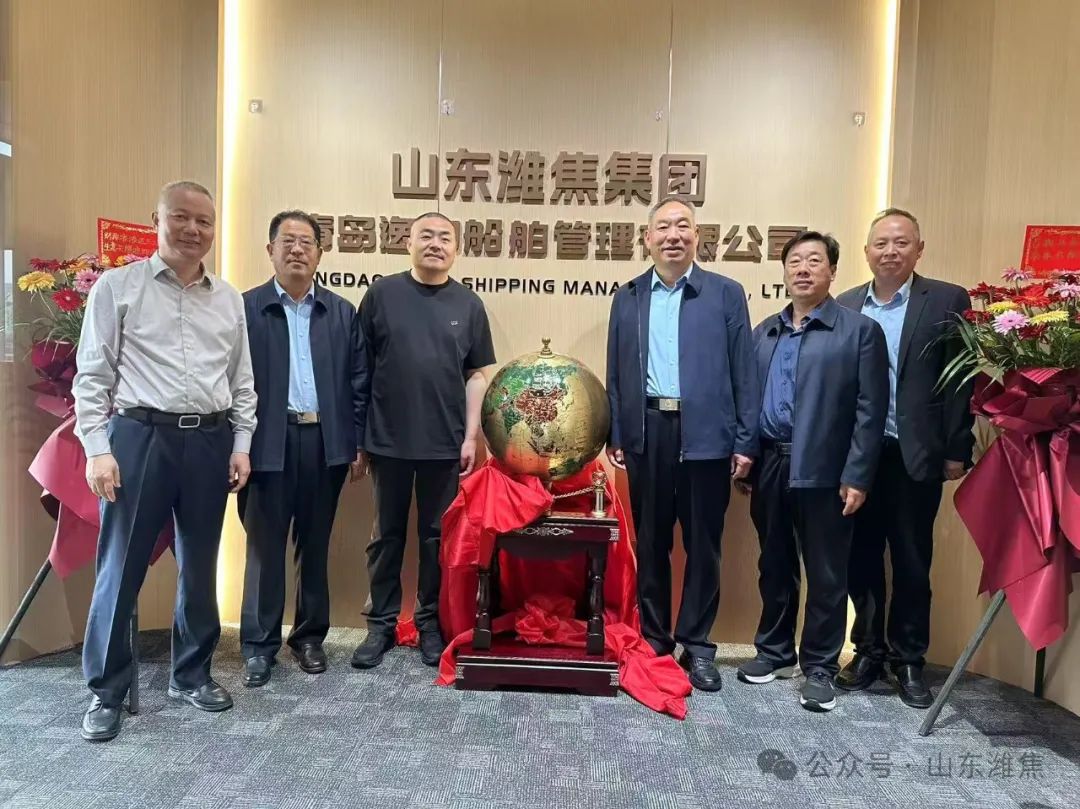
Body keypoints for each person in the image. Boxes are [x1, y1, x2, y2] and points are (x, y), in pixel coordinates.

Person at [74, 180, 257, 741]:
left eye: (204, 221)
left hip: (209, 441)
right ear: (156, 220)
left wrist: (241, 444)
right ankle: (106, 690)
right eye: (181, 217)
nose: (193, 229)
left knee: (200, 564)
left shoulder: (228, 298)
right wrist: (98, 450)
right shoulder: (118, 287)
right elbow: (92, 376)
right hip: (140, 437)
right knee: (121, 565)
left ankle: (192, 673)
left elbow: (241, 381)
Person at [605, 194, 758, 692]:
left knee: (703, 544)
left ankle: (698, 644)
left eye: (683, 226)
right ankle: (654, 638)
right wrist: (618, 431)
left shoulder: (725, 293)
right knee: (651, 540)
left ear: (697, 236)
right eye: (664, 227)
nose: (673, 235)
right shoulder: (628, 296)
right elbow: (616, 373)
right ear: (647, 238)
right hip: (648, 430)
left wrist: (745, 439)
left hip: (708, 433)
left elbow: (744, 371)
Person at [736, 231, 888, 712]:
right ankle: (774, 651)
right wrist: (746, 454)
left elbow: (870, 411)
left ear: (832, 271)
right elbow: (748, 401)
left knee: (826, 572)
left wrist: (858, 475)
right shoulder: (765, 331)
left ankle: (820, 665)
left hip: (826, 469)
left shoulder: (859, 331)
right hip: (770, 463)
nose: (803, 269)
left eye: (814, 261)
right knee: (774, 563)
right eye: (794, 262)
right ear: (784, 272)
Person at [834, 208, 974, 708]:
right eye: (881, 243)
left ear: (919, 248)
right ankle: (868, 651)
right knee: (861, 559)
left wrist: (957, 448)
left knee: (913, 561)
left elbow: (961, 380)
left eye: (901, 242)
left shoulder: (948, 300)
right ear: (866, 251)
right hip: (859, 458)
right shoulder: (846, 305)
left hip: (916, 454)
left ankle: (909, 658)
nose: (890, 251)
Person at [350, 212, 496, 669]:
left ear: (457, 248)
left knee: (436, 538)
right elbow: (360, 370)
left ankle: (430, 622)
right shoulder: (382, 295)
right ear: (408, 243)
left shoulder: (468, 304)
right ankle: (380, 624)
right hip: (387, 439)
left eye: (445, 237)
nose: (435, 244)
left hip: (445, 442)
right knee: (385, 536)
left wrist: (471, 436)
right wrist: (359, 437)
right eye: (426, 236)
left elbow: (476, 374)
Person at [238, 210, 368, 688]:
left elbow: (359, 382)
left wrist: (355, 442)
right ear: (270, 250)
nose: (297, 250)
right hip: (265, 444)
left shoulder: (341, 312)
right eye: (287, 241)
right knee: (264, 548)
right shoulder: (246, 309)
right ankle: (259, 645)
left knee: (315, 546)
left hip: (323, 443)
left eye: (306, 242)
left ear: (319, 253)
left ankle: (309, 637)